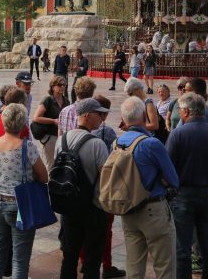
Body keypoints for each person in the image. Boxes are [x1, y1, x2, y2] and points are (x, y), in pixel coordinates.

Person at [166, 93, 208, 278]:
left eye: (180, 110)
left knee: (182, 249)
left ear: (186, 112)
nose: (179, 113)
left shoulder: (177, 134)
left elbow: (167, 169)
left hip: (183, 196)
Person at [116, 97, 179, 279]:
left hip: (128, 209)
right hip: (153, 209)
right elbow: (173, 179)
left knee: (134, 266)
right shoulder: (151, 143)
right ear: (144, 116)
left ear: (123, 118)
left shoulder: (117, 143)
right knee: (164, 265)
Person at [0, 104, 48, 279]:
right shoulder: (26, 147)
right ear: (23, 124)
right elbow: (44, 176)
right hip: (19, 204)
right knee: (20, 261)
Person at [56, 98, 112, 279]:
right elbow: (106, 177)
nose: (102, 118)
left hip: (70, 206)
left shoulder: (61, 140)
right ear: (87, 115)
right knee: (92, 259)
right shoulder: (97, 144)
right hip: (93, 208)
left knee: (70, 256)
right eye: (98, 114)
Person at [86, 95, 127, 278]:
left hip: (84, 188)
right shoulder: (107, 132)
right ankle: (106, 264)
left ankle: (83, 260)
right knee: (105, 231)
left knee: (84, 229)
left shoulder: (79, 132)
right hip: (103, 189)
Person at [32, 75, 69, 171]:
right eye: (60, 84)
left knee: (61, 166)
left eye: (64, 85)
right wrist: (53, 121)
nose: (62, 87)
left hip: (62, 137)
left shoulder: (66, 101)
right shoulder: (48, 100)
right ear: (53, 87)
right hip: (49, 137)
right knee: (51, 166)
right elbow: (36, 118)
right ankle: (50, 185)